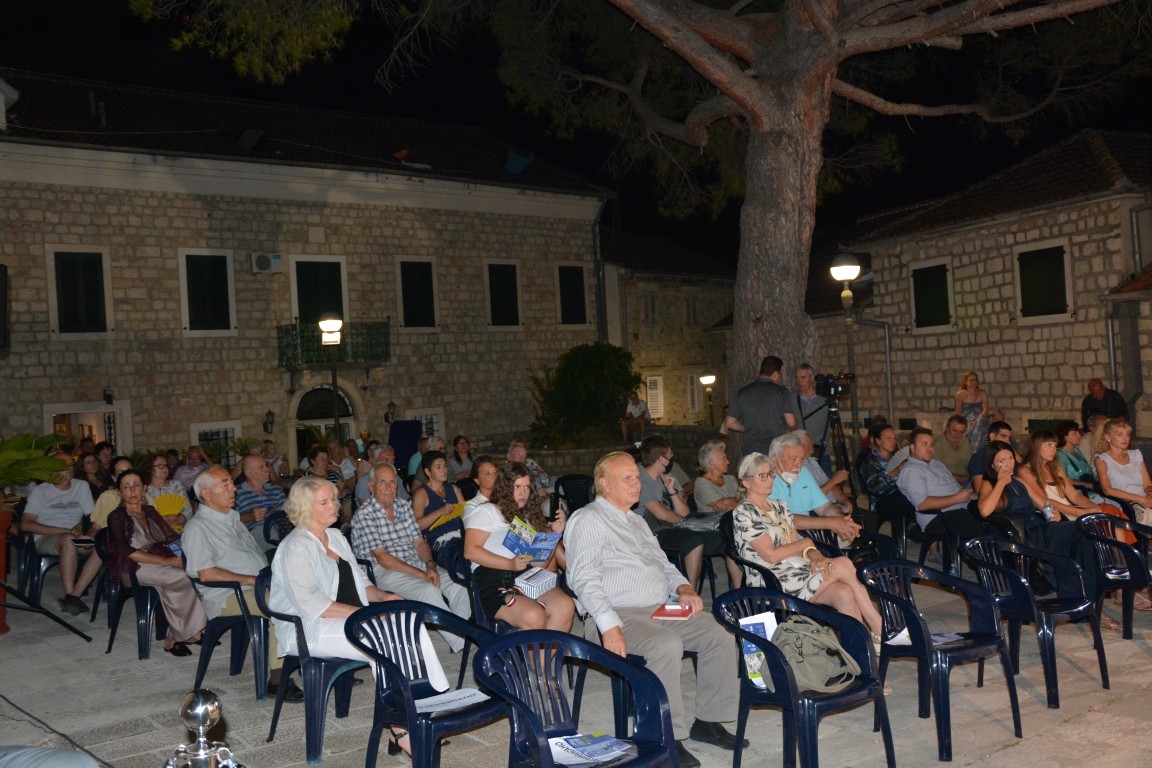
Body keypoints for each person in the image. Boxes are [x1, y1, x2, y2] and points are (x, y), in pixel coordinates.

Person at [564, 451, 742, 768]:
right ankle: (665, 736)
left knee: (719, 632)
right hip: (616, 614)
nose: (637, 483)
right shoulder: (588, 519)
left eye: (637, 477)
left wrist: (684, 587)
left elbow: (663, 564)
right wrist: (608, 625)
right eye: (627, 478)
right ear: (604, 484)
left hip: (658, 609)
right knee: (664, 644)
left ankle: (708, 721)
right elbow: (583, 579)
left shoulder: (636, 520)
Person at [269, 476, 449, 756]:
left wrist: (384, 597)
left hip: (345, 619)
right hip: (308, 628)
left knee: (410, 627)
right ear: (305, 508)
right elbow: (312, 604)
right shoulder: (296, 547)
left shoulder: (336, 537)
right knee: (383, 638)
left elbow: (361, 582)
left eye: (334, 499)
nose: (335, 506)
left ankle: (429, 708)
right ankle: (401, 727)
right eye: (324, 502)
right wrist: (366, 614)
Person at [182, 466, 304, 702]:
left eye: (231, 482)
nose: (234, 488)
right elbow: (205, 573)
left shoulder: (231, 518)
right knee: (281, 605)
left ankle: (318, 659)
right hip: (228, 595)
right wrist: (251, 580)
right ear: (206, 493)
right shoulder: (198, 527)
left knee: (310, 592)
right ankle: (278, 681)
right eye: (225, 484)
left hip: (255, 585)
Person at [731, 452, 883, 640]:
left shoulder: (779, 506)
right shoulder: (744, 513)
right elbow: (771, 555)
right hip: (770, 579)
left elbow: (796, 544)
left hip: (795, 570)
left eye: (771, 473)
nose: (769, 479)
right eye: (762, 476)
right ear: (746, 482)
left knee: (844, 592)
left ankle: (861, 648)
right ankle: (879, 627)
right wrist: (807, 543)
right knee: (844, 564)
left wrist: (813, 553)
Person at [976, 442, 1117, 626]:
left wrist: (1051, 513)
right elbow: (984, 511)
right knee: (1080, 534)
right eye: (1001, 461)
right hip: (1025, 535)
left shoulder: (1019, 481)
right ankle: (1087, 604)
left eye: (1010, 458)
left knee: (1083, 540)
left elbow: (1043, 503)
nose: (1008, 464)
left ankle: (1084, 602)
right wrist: (1001, 482)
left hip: (1040, 526)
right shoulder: (989, 482)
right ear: (992, 464)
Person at [350, 463, 471, 653]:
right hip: (383, 571)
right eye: (382, 482)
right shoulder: (364, 515)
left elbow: (420, 543)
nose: (389, 487)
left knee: (460, 585)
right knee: (428, 590)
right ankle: (461, 643)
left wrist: (430, 565)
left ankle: (461, 637)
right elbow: (382, 558)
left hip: (415, 563)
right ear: (371, 487)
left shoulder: (403, 506)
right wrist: (421, 574)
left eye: (392, 482)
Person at [462, 462, 574, 631]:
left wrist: (554, 534)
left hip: (523, 579)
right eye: (517, 486)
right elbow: (470, 551)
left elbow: (538, 564)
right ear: (505, 488)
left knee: (565, 605)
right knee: (533, 615)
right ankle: (526, 649)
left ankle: (542, 650)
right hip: (493, 581)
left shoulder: (524, 519)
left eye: (527, 487)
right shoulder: (488, 511)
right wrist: (509, 564)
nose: (523, 492)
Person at [106, 469, 207, 655]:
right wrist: (167, 561)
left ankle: (189, 631)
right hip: (135, 567)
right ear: (119, 491)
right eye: (126, 487)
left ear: (144, 488)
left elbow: (171, 537)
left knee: (197, 571)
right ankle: (178, 637)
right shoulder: (116, 516)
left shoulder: (150, 511)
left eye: (136, 485)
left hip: (161, 563)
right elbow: (123, 549)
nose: (132, 490)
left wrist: (187, 554)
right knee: (186, 577)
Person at [636, 436, 729, 591]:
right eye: (670, 454)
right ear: (661, 459)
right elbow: (662, 515)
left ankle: (738, 589)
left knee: (726, 534)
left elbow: (684, 512)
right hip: (651, 532)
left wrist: (672, 492)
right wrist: (687, 523)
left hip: (673, 526)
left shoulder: (666, 477)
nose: (672, 458)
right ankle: (689, 593)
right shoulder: (642, 480)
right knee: (694, 540)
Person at [21, 451, 100, 615]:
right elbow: (26, 524)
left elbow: (92, 518)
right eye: (64, 466)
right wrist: (63, 531)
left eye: (71, 465)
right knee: (68, 540)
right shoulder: (41, 491)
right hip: (46, 538)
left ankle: (73, 596)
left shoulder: (81, 486)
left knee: (102, 546)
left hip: (75, 537)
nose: (70, 468)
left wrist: (84, 530)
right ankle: (69, 593)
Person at [766, 433, 859, 542]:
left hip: (810, 540)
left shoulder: (803, 473)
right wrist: (832, 523)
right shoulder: (765, 481)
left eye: (801, 459)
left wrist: (843, 521)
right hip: (781, 543)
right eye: (793, 459)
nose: (799, 465)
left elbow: (824, 507)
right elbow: (784, 518)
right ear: (774, 461)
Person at [896, 427, 982, 541]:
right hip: (938, 517)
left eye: (931, 444)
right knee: (980, 530)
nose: (930, 448)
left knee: (993, 515)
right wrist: (957, 498)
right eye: (924, 444)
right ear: (912, 448)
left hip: (961, 509)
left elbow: (958, 491)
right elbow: (922, 504)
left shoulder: (937, 464)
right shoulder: (911, 470)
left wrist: (980, 495)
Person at [724, 355, 798, 458]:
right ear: (775, 374)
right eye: (780, 374)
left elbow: (729, 423)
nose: (779, 377)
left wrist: (747, 428)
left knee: (753, 469)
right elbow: (791, 422)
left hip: (750, 452)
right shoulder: (781, 392)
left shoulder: (743, 392)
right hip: (774, 452)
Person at [1094, 418, 1152, 524]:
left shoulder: (1136, 455)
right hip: (1124, 504)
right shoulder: (1102, 460)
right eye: (1119, 435)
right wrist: (1141, 499)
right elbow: (1107, 490)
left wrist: (1150, 493)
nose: (1125, 438)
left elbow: (1147, 484)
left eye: (1127, 434)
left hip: (1144, 499)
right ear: (1107, 437)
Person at [234, 453, 287, 550]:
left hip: (282, 528)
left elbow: (289, 511)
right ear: (249, 473)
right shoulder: (236, 493)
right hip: (257, 533)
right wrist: (249, 517)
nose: (268, 470)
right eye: (262, 467)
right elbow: (228, 522)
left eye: (266, 466)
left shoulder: (276, 489)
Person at [410, 450, 464, 546]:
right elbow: (416, 525)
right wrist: (440, 511)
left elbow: (465, 513)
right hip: (438, 541)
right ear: (428, 472)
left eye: (445, 466)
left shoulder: (453, 488)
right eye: (438, 467)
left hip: (458, 535)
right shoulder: (421, 493)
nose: (444, 470)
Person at [793, 364, 832, 475]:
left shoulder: (825, 399)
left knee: (826, 484)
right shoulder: (791, 399)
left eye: (803, 377)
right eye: (797, 378)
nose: (799, 381)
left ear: (812, 378)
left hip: (822, 454)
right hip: (800, 455)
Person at [1055, 421, 1105, 501]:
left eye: (1078, 432)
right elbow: (1063, 480)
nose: (1079, 435)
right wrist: (1088, 485)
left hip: (1089, 490)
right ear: (1065, 436)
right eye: (1074, 433)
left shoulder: (1076, 450)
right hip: (1077, 493)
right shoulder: (1061, 455)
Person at [144, 453, 191, 531]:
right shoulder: (145, 490)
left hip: (180, 528)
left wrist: (178, 519)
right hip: (156, 530)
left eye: (166, 465)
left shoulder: (176, 485)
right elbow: (145, 515)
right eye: (160, 466)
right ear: (151, 469)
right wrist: (164, 519)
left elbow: (188, 509)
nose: (165, 469)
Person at [968, 421, 1017, 494]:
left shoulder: (1007, 454)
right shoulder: (980, 457)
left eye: (1009, 438)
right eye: (1003, 436)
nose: (1008, 441)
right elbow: (979, 490)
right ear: (992, 436)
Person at [693, 439, 739, 515]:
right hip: (716, 522)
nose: (728, 462)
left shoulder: (731, 479)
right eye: (723, 458)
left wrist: (726, 501)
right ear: (711, 463)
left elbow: (746, 500)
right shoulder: (701, 483)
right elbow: (720, 506)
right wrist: (739, 500)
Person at [954, 370, 990, 453]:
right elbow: (959, 412)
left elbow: (986, 409)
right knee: (968, 427)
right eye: (971, 380)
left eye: (975, 380)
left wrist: (977, 420)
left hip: (980, 419)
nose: (974, 382)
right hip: (966, 420)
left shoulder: (982, 393)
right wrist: (963, 423)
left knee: (979, 424)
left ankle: (974, 451)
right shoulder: (960, 394)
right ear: (965, 382)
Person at [933, 414, 972, 485]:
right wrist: (959, 478)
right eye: (954, 431)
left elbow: (970, 464)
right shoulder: (937, 444)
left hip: (966, 482)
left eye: (961, 432)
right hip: (945, 482)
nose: (957, 434)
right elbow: (936, 470)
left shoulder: (965, 442)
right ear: (947, 428)